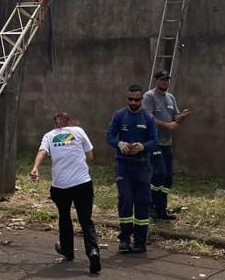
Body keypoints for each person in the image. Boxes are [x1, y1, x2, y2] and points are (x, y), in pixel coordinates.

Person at [30, 111, 102, 274]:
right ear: (69, 121)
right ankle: (93, 251)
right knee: (85, 220)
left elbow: (42, 152)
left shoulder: (49, 136)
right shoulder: (78, 131)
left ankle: (68, 251)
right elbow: (90, 156)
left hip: (60, 186)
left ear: (55, 123)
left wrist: (35, 168)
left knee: (64, 217)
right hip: (82, 184)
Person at [106, 84, 158, 254]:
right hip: (123, 165)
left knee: (142, 202)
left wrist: (142, 146)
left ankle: (140, 241)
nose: (133, 102)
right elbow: (109, 136)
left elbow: (154, 140)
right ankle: (124, 239)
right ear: (127, 98)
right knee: (125, 201)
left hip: (142, 165)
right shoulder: (120, 115)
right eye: (130, 99)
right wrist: (119, 144)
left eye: (137, 99)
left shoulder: (148, 119)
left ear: (141, 99)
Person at [143, 70, 193, 220]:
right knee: (158, 174)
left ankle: (161, 209)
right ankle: (149, 207)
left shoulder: (171, 97)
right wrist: (167, 125)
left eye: (167, 80)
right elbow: (148, 117)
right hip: (154, 142)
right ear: (156, 81)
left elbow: (175, 118)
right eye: (163, 79)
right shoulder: (149, 96)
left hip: (166, 143)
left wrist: (182, 117)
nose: (165, 82)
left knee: (168, 178)